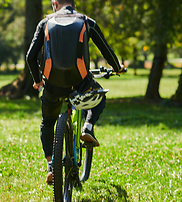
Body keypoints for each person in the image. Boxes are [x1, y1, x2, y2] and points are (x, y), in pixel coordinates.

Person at [26, 0, 124, 184]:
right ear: (74, 4)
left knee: (47, 123)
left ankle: (50, 166)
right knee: (99, 96)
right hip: (80, 82)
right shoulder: (86, 21)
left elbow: (31, 56)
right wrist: (117, 67)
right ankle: (87, 127)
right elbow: (105, 48)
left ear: (55, 3)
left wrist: (38, 80)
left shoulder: (44, 22)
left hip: (53, 84)